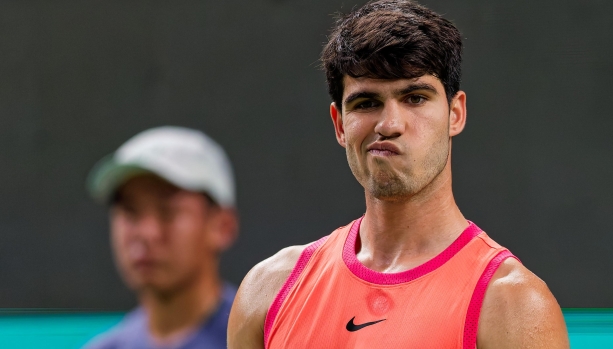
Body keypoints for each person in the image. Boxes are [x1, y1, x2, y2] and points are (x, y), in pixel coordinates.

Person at [228, 1, 569, 348]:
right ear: (339, 124)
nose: (389, 124)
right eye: (366, 103)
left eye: (415, 98)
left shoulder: (512, 306)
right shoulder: (269, 292)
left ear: (455, 114)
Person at [83, 126, 239, 349]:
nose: (148, 233)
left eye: (168, 211)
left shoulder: (265, 340)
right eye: (130, 211)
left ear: (222, 226)